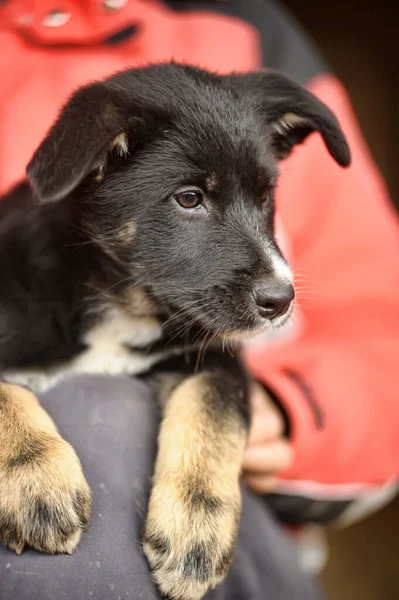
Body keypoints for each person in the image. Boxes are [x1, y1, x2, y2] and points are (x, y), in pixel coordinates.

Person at [0, 1, 398, 599]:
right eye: (191, 198)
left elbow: (379, 324)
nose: (273, 276)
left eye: (261, 198)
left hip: (251, 550)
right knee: (91, 413)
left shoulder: (245, 26)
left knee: (176, 394)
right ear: (98, 163)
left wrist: (288, 412)